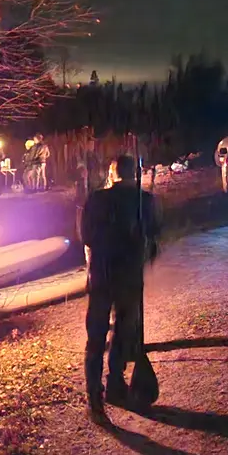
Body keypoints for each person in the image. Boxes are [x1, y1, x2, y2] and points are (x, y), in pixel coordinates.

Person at [81, 155, 161, 425]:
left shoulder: (96, 199)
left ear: (113, 172)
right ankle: (115, 380)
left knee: (96, 332)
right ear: (133, 174)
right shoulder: (144, 200)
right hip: (128, 274)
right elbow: (154, 236)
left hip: (102, 274)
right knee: (123, 328)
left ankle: (94, 390)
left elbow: (87, 236)